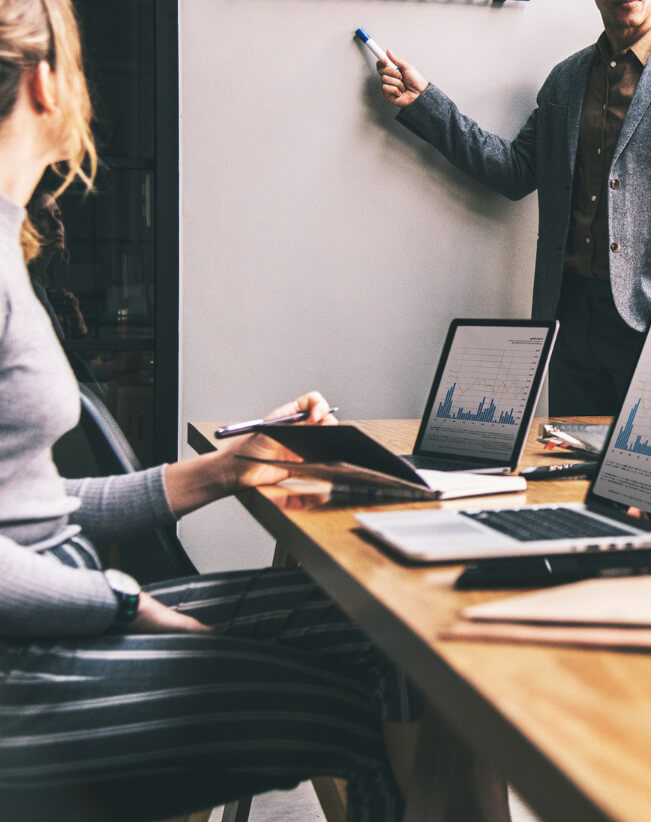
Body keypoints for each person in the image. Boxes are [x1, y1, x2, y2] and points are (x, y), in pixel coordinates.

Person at [0, 2, 417, 818]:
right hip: (28, 667)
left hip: (59, 617)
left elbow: (30, 511)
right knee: (347, 711)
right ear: (48, 84)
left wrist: (232, 466)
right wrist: (132, 607)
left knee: (387, 622)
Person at [377, 0, 651, 415]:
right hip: (569, 320)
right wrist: (427, 104)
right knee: (570, 474)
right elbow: (516, 171)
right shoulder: (565, 79)